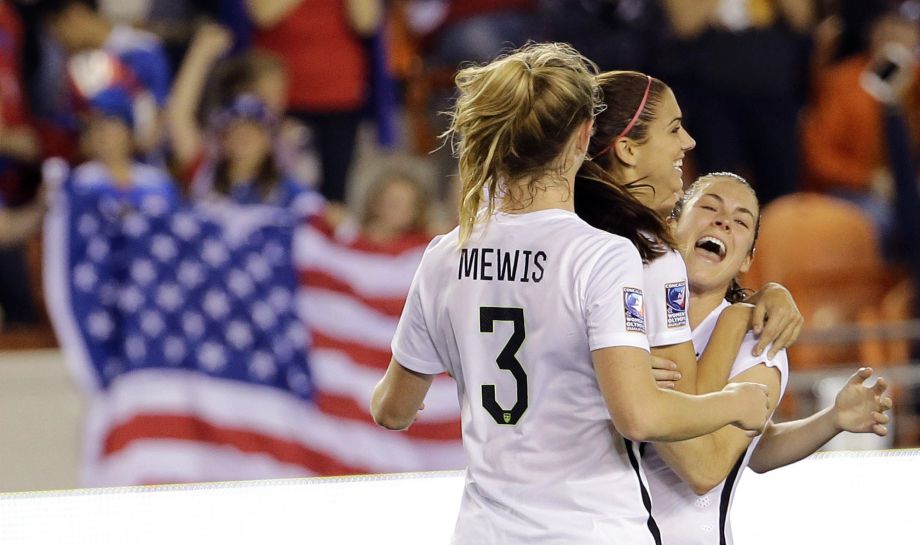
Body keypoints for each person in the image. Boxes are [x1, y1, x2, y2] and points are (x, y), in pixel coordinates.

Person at [370, 42, 771, 545]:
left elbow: (392, 410)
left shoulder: (444, 255)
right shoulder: (603, 255)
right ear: (584, 137)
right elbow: (640, 415)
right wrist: (735, 403)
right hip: (591, 528)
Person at [643, 172, 893, 544]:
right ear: (672, 224)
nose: (723, 221)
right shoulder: (628, 314)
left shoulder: (758, 341)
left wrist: (632, 388)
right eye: (708, 207)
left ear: (747, 260)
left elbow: (708, 469)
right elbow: (758, 447)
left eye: (741, 221)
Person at [576, 70, 803, 402]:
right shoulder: (649, 257)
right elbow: (691, 438)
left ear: (749, 257)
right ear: (627, 150)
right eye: (673, 129)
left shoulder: (558, 233)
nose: (688, 141)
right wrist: (735, 318)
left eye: (742, 222)